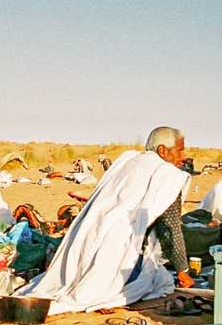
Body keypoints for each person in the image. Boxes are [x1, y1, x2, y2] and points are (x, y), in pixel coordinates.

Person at [18, 126, 194, 314]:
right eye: (180, 150)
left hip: (87, 239)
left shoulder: (129, 162)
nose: (183, 156)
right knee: (159, 282)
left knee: (156, 276)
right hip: (118, 251)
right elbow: (169, 228)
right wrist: (183, 271)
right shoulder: (168, 176)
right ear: (162, 151)